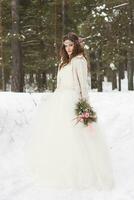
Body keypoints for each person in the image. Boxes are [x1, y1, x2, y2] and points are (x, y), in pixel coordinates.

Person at [23, 32, 115, 191]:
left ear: (77, 45)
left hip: (73, 100)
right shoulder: (63, 62)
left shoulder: (79, 61)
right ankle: (58, 169)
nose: (68, 48)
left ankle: (83, 171)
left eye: (71, 45)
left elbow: (83, 85)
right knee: (58, 135)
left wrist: (84, 105)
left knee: (77, 136)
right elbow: (59, 83)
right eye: (65, 45)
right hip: (60, 100)